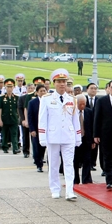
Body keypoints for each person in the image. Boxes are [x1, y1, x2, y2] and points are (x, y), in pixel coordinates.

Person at [38, 69, 81, 200]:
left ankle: (69, 190)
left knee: (69, 164)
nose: (62, 84)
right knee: (54, 164)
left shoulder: (72, 99)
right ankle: (55, 189)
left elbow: (75, 120)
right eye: (59, 82)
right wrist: (43, 137)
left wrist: (78, 137)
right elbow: (42, 119)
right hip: (53, 136)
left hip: (68, 136)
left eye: (64, 82)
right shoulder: (47, 99)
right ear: (54, 83)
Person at [73, 94, 94, 184]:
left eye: (84, 104)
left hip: (86, 140)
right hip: (75, 140)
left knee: (87, 160)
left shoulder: (89, 112)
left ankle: (86, 179)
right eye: (80, 104)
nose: (82, 106)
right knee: (75, 161)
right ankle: (75, 179)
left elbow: (92, 126)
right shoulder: (72, 113)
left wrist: (93, 141)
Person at [0, 78, 20, 154]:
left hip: (13, 118)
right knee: (5, 133)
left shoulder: (16, 97)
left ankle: (15, 148)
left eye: (11, 87)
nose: (9, 89)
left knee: (14, 134)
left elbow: (17, 108)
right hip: (5, 118)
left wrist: (18, 117)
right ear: (5, 88)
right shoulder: (2, 97)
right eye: (8, 87)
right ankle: (4, 147)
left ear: (13, 87)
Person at [28, 84, 47, 172]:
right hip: (36, 128)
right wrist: (32, 129)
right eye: (41, 91)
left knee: (43, 147)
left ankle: (41, 160)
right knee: (36, 147)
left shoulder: (48, 101)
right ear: (37, 93)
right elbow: (30, 117)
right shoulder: (32, 103)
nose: (43, 93)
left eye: (44, 91)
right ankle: (38, 164)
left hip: (46, 129)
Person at [85, 83, 101, 171]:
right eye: (91, 88)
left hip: (95, 126)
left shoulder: (99, 100)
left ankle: (92, 163)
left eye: (95, 88)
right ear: (87, 90)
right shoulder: (83, 100)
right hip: (86, 125)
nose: (93, 90)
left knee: (95, 146)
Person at [18, 83, 35, 158]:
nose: (30, 90)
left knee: (34, 137)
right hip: (24, 119)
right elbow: (20, 109)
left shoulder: (34, 97)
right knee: (25, 136)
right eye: (29, 88)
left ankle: (35, 153)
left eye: (32, 88)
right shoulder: (22, 98)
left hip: (32, 120)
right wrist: (23, 120)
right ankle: (25, 151)